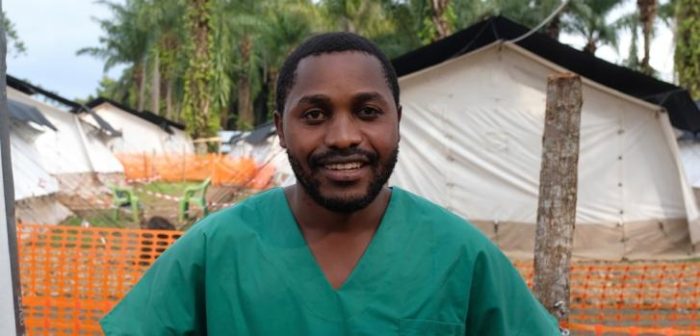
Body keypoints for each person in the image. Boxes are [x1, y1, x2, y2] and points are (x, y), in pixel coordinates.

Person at [100, 32, 560, 335]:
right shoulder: (215, 250)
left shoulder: (462, 255)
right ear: (280, 127)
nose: (343, 137)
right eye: (315, 114)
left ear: (397, 121)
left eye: (367, 112)